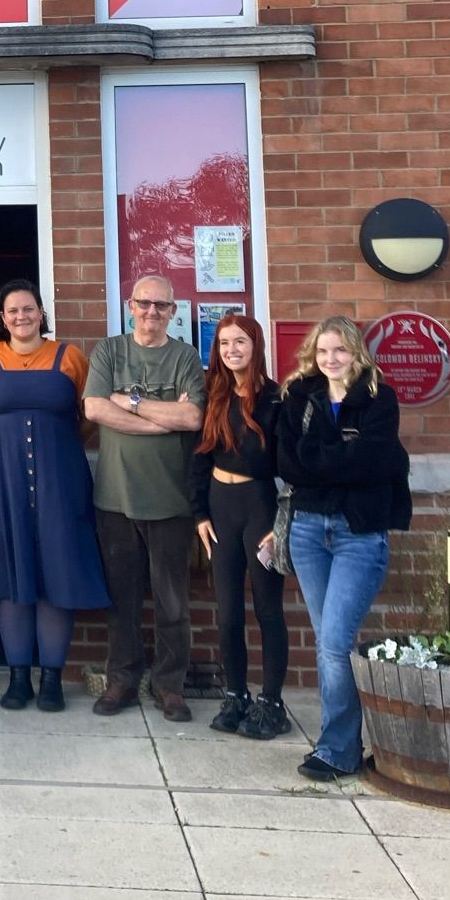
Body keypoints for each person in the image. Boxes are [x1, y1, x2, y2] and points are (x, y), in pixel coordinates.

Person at [0, 279, 106, 714]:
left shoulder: (70, 357)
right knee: (11, 577)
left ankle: (53, 679)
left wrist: (56, 445)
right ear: (1, 318)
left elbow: (89, 415)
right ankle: (18, 678)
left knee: (56, 576)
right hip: (0, 484)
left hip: (62, 482)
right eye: (12, 311)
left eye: (29, 309)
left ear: (42, 313)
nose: (21, 317)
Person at [277, 315, 410, 783]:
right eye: (323, 351)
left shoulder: (379, 398)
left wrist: (322, 461)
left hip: (359, 533)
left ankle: (337, 749)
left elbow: (376, 462)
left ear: (357, 353)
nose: (331, 359)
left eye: (340, 351)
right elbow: (289, 463)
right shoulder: (299, 397)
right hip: (309, 530)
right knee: (329, 642)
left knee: (334, 643)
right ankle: (345, 743)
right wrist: (340, 460)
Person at [84, 274, 206, 720]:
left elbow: (192, 416)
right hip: (114, 497)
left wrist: (130, 403)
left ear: (174, 312)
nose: (152, 312)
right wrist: (162, 419)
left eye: (161, 305)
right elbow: (95, 408)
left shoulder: (185, 356)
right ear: (129, 306)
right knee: (122, 599)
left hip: (170, 500)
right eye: (144, 303)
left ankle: (169, 685)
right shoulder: (109, 351)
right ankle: (123, 680)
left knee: (172, 601)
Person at [190, 314, 288, 740]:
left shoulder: (275, 398)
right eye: (225, 343)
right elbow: (200, 458)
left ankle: (271, 703)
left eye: (240, 342)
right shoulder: (214, 395)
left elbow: (291, 466)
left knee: (267, 610)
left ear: (256, 345)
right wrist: (199, 514)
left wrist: (281, 524)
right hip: (220, 507)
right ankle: (236, 696)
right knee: (228, 612)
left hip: (260, 508)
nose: (232, 350)